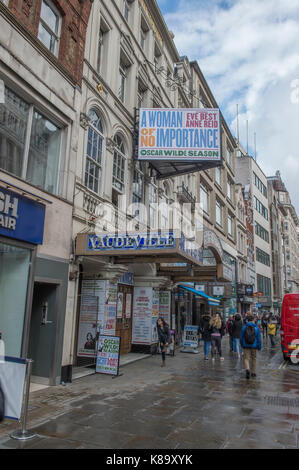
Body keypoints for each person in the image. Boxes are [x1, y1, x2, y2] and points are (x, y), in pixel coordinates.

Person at [240, 313, 262, 379]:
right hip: (254, 345)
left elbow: (241, 337)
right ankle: (253, 372)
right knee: (254, 358)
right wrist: (259, 347)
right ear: (253, 320)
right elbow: (259, 339)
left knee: (246, 358)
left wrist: (242, 344)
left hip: (246, 345)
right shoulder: (256, 327)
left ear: (247, 320)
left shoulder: (244, 327)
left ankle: (247, 369)